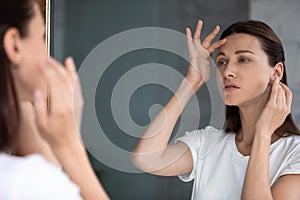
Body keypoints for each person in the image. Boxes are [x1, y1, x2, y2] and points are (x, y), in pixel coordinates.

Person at [132, 19, 300, 199]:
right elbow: (146, 159)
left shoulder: (295, 153)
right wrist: (192, 81)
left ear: (276, 72)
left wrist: (263, 134)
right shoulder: (207, 144)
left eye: (243, 59)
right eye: (222, 61)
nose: (227, 71)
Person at [0, 0, 109, 199]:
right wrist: (70, 145)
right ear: (14, 44)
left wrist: (16, 86)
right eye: (42, 36)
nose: (46, 51)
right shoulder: (22, 182)